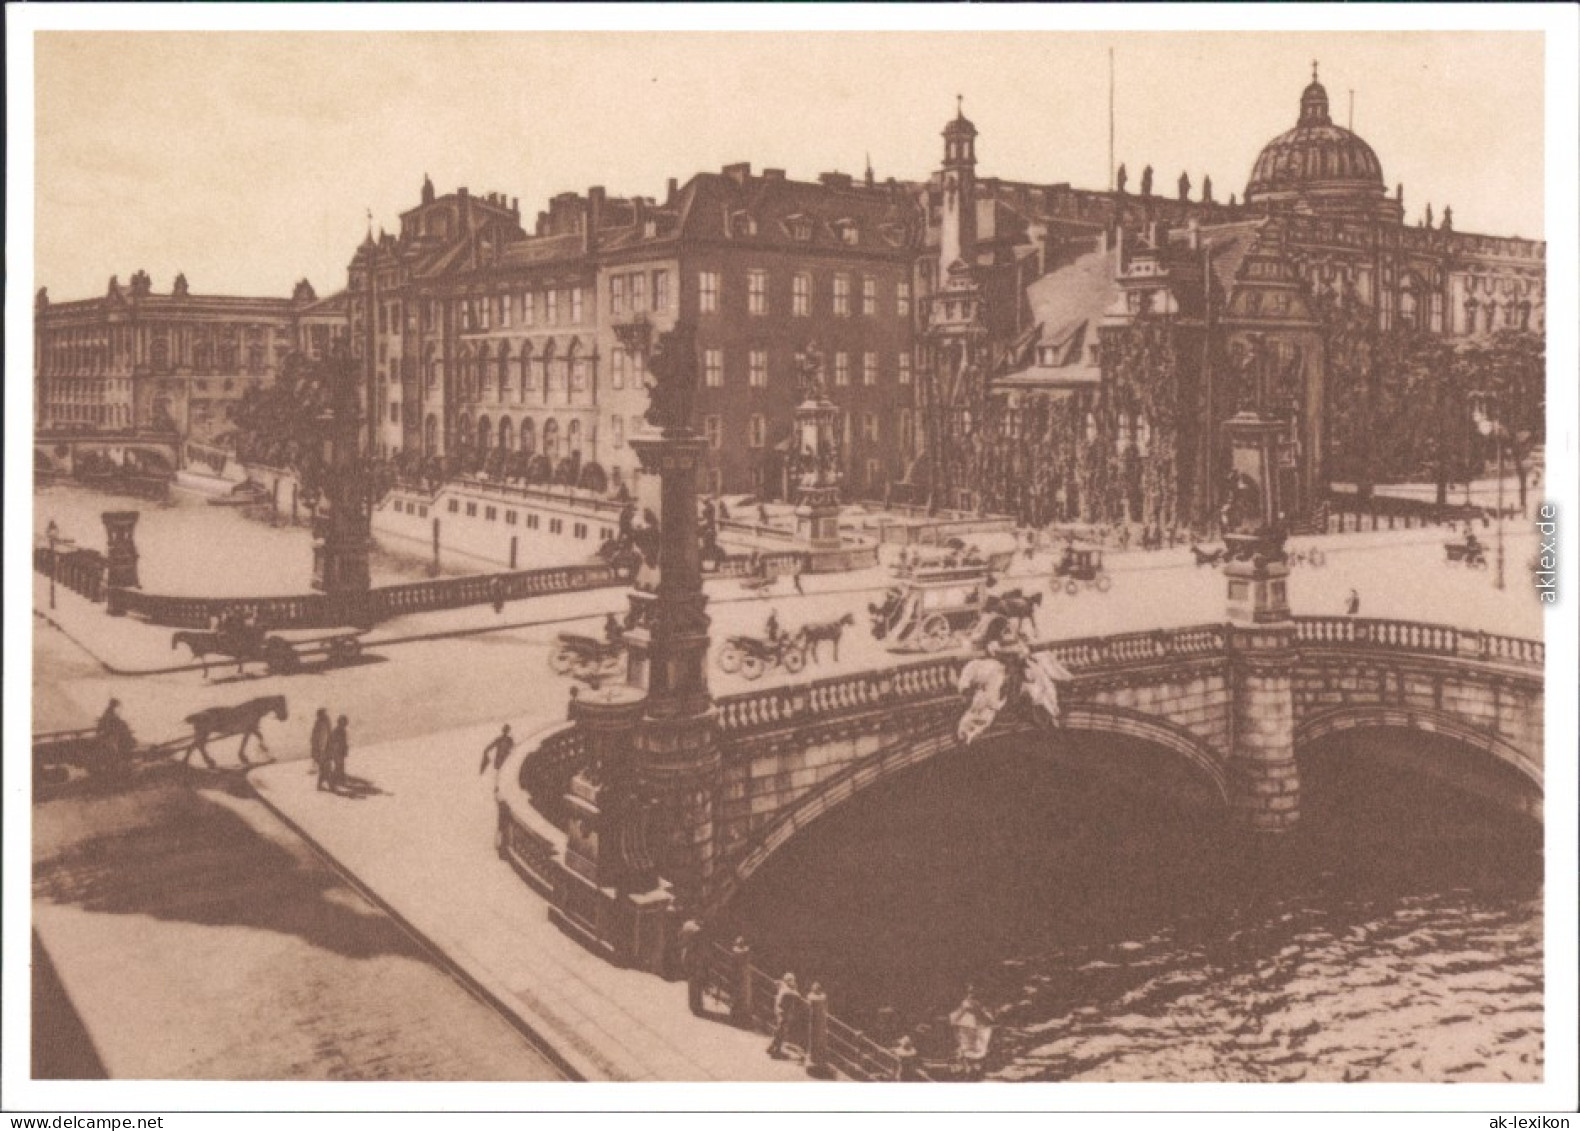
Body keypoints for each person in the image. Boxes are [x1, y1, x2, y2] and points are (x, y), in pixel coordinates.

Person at [677, 915, 707, 1016]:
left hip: (687, 956)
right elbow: (700, 947)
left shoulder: (686, 925)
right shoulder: (698, 931)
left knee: (692, 982)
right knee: (697, 982)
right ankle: (697, 1005)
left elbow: (680, 938)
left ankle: (693, 1004)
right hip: (696, 959)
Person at [767, 973, 800, 1058]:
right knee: (782, 1031)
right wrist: (795, 988)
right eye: (791, 980)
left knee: (780, 1030)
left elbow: (776, 982)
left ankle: (772, 1047)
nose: (793, 982)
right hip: (783, 1012)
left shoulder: (783, 985)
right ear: (788, 981)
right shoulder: (787, 989)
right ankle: (776, 1050)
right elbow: (796, 994)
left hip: (781, 1010)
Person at [325, 715, 350, 789]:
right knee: (338, 766)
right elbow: (332, 742)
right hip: (336, 752)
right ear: (339, 722)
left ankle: (339, 780)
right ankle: (332, 781)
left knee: (340, 766)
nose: (344, 724)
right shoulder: (336, 731)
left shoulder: (343, 731)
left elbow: (344, 742)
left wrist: (345, 750)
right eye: (343, 722)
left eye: (345, 723)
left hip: (340, 752)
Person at [309, 707, 331, 778]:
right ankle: (318, 768)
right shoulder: (320, 721)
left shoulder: (323, 722)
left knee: (321, 755)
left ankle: (321, 769)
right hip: (318, 742)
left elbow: (324, 733)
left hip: (321, 742)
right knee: (317, 755)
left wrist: (322, 743)